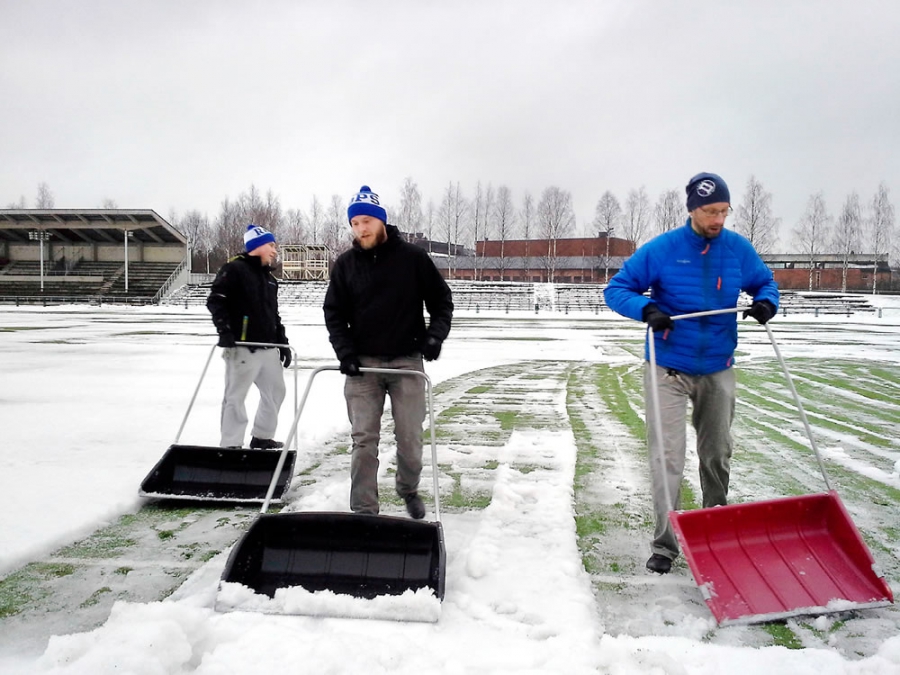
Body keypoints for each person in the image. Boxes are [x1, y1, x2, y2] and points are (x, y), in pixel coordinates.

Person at [603, 172, 779, 574]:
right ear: (692, 210)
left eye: (723, 210)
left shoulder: (737, 249)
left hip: (718, 366)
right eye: (710, 211)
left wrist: (766, 304)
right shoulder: (663, 249)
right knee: (666, 457)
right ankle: (666, 544)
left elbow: (765, 283)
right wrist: (646, 310)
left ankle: (713, 530)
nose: (718, 219)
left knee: (716, 453)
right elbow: (617, 289)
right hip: (667, 366)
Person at [324, 185, 453, 519]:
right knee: (364, 441)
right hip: (362, 367)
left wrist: (434, 337)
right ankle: (365, 511)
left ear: (381, 221)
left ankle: (408, 489)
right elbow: (334, 313)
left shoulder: (413, 259)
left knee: (410, 438)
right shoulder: (346, 265)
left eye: (366, 221)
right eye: (355, 223)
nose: (361, 229)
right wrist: (345, 353)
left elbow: (441, 302)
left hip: (406, 362)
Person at [207, 224, 292, 450]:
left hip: (267, 347)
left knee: (276, 392)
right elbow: (216, 300)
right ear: (257, 245)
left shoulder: (270, 279)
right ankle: (231, 445)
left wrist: (282, 342)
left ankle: (262, 437)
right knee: (235, 397)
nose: (275, 250)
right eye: (271, 245)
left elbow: (273, 314)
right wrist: (224, 331)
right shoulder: (234, 269)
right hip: (242, 347)